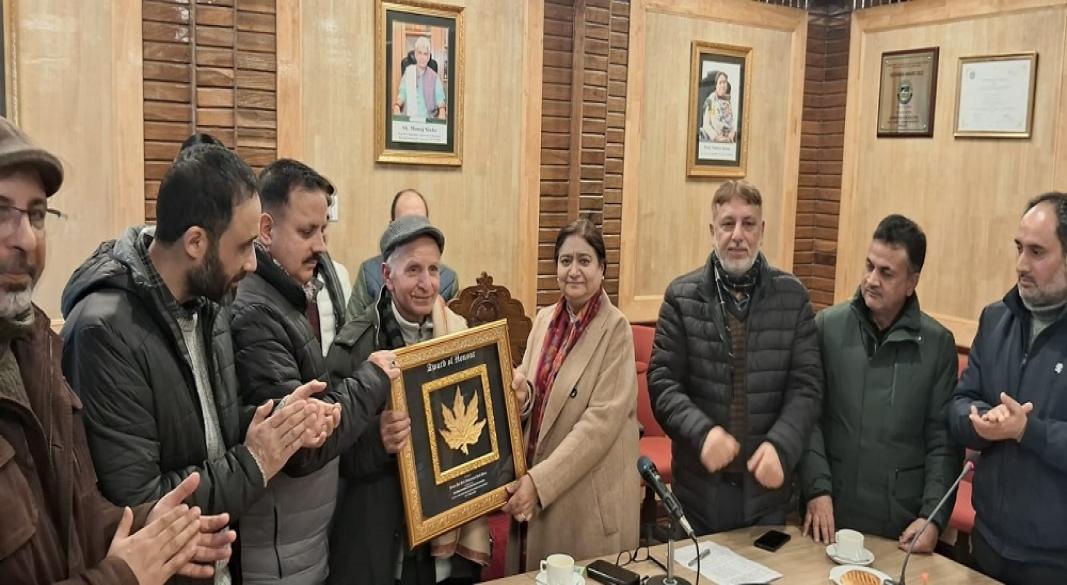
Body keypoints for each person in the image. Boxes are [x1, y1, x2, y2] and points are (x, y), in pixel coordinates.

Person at [60, 144, 333, 584]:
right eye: (243, 246)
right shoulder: (104, 331)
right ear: (195, 243)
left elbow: (208, 430)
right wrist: (257, 460)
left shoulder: (210, 300)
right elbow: (143, 508)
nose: (252, 263)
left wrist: (280, 422)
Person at [0, 116, 234, 584]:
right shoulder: (101, 327)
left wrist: (149, 527)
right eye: (0, 211)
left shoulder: (32, 348)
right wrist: (123, 575)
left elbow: (71, 515)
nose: (25, 239)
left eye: (38, 214)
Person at [229, 158, 400, 584]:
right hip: (274, 553)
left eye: (324, 230)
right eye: (307, 232)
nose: (321, 245)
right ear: (266, 229)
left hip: (300, 541)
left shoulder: (289, 295)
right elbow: (301, 445)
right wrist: (372, 378)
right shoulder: (255, 312)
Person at [648, 180, 822, 534]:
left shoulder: (793, 297)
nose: (738, 235)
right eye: (728, 224)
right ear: (712, 231)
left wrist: (782, 444)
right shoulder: (681, 297)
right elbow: (663, 384)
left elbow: (806, 387)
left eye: (748, 223)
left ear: (762, 230)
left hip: (767, 492)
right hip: (699, 490)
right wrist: (702, 433)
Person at [325, 215, 489, 585]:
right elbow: (327, 454)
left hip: (443, 533)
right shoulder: (354, 345)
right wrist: (376, 439)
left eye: (433, 269)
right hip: (378, 538)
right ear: (387, 274)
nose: (426, 283)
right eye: (413, 269)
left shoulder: (459, 335)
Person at [798, 215, 961, 553]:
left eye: (886, 273)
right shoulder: (827, 327)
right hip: (829, 516)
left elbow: (943, 442)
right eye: (869, 266)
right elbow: (807, 418)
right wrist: (816, 489)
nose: (871, 280)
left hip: (899, 527)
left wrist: (932, 517)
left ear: (912, 282)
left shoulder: (937, 346)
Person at [501, 218, 640, 570]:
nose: (574, 271)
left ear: (602, 268)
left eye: (584, 260)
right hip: (538, 477)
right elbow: (534, 390)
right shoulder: (543, 319)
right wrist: (522, 397)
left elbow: (600, 425)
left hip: (583, 494)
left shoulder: (616, 330)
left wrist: (539, 483)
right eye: (566, 261)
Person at [948, 193, 1067, 585]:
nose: (1021, 265)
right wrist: (981, 421)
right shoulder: (996, 319)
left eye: (1037, 252)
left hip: (1054, 563)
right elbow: (959, 403)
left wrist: (1026, 431)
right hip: (987, 544)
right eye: (1019, 248)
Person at [347, 188, 458, 319]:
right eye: (405, 222)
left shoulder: (449, 280)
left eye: (420, 221)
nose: (413, 229)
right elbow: (353, 323)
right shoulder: (369, 273)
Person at [393, 36, 447, 120]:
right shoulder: (409, 72)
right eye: (420, 53)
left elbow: (440, 100)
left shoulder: (434, 77)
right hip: (409, 120)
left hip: (428, 121)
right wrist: (397, 106)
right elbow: (402, 94)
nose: (422, 57)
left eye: (425, 54)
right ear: (415, 54)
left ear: (428, 57)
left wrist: (442, 111)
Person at [700, 71, 736, 143]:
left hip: (729, 139)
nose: (722, 85)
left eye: (724, 82)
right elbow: (706, 124)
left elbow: (734, 122)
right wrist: (716, 137)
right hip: (713, 139)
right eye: (720, 82)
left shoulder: (730, 100)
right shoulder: (710, 100)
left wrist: (732, 132)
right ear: (716, 85)